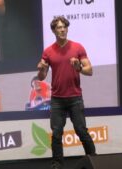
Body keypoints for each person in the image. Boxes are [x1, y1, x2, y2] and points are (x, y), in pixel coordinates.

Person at [37, 16, 96, 169]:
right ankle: (57, 164)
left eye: (64, 27)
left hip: (75, 97)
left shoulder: (78, 47)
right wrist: (41, 69)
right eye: (59, 27)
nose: (62, 30)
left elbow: (90, 71)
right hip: (57, 99)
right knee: (56, 134)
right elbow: (41, 77)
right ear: (54, 30)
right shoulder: (48, 51)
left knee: (81, 131)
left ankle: (93, 160)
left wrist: (79, 68)